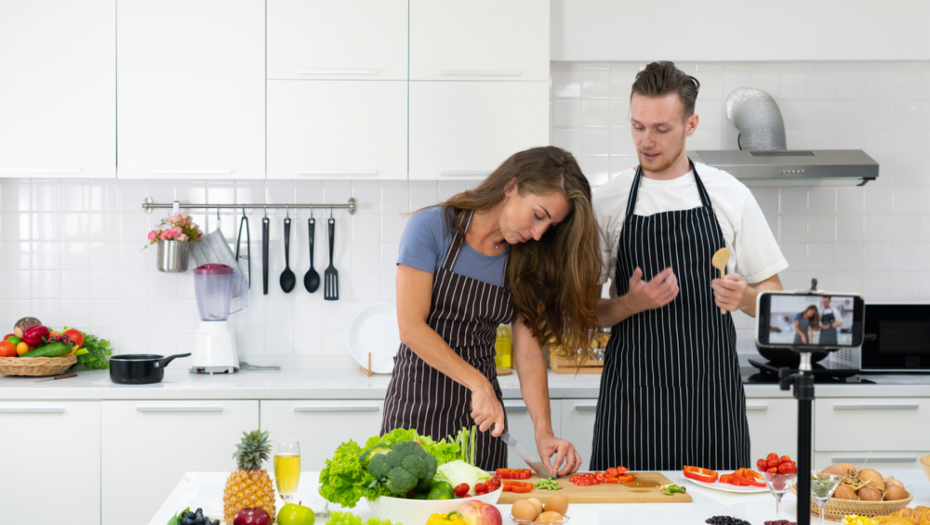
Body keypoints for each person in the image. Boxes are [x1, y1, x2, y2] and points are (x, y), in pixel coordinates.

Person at [591, 61, 788, 471]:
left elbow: (777, 303)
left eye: (662, 129)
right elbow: (582, 311)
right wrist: (629, 304)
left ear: (691, 124)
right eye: (638, 126)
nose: (647, 141)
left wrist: (746, 297)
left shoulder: (729, 193)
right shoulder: (607, 201)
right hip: (633, 402)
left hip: (711, 401)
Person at [381, 146, 601, 474]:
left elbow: (528, 354)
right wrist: (478, 384)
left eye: (550, 226)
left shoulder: (527, 256)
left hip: (482, 421)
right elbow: (411, 327)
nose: (540, 233)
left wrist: (544, 433)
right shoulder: (432, 227)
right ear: (511, 186)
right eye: (539, 215)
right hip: (417, 402)